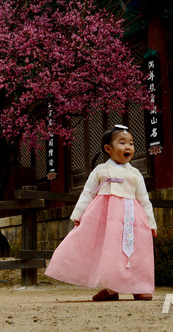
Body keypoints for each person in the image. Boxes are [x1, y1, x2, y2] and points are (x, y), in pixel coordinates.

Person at [45, 125, 157, 301]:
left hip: (132, 218)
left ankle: (140, 287)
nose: (128, 147)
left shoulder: (135, 173)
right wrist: (78, 215)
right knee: (111, 252)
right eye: (122, 143)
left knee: (137, 250)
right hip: (107, 219)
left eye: (131, 143)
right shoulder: (100, 170)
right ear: (108, 149)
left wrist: (151, 223)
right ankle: (111, 288)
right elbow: (87, 193)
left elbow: (144, 200)